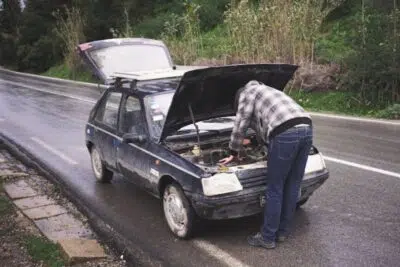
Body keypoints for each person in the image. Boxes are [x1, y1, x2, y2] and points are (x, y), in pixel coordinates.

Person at [219, 80, 313, 249]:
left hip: (286, 132)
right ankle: (282, 232)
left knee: (275, 188)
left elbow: (241, 123)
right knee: (292, 184)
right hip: (306, 127)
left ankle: (267, 237)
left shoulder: (248, 92)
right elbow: (265, 126)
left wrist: (233, 151)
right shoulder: (269, 90)